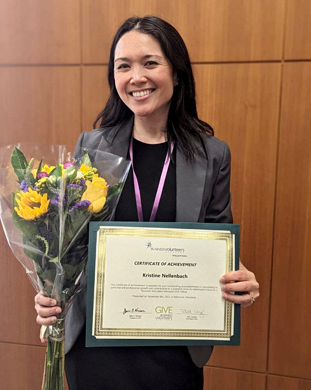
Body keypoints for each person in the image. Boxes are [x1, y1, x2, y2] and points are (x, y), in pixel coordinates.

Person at [35, 15, 260, 390]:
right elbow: (68, 248)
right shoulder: (91, 147)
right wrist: (48, 292)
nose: (136, 77)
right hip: (96, 346)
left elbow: (218, 240)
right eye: (123, 66)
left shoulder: (213, 155)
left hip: (174, 346)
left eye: (150, 63)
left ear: (177, 72)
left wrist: (240, 280)